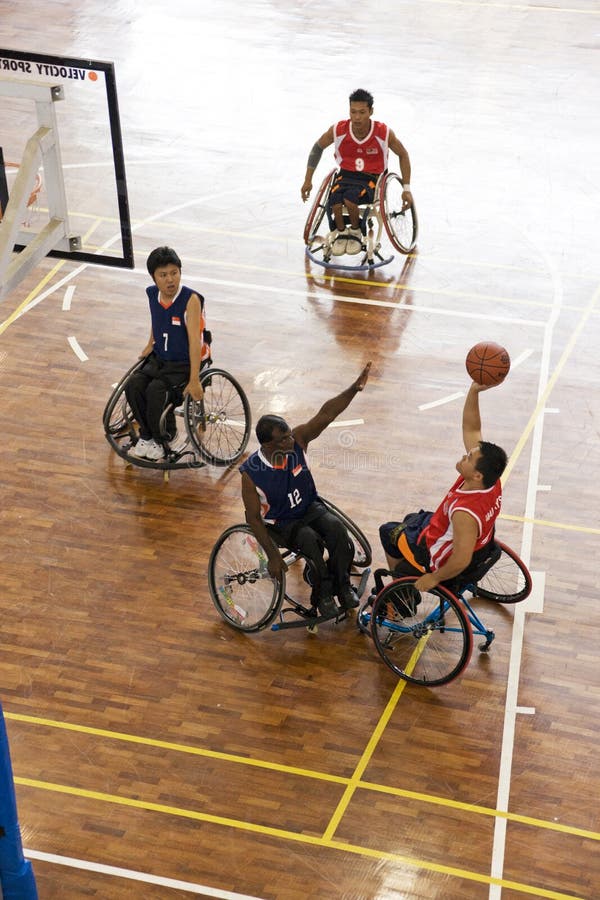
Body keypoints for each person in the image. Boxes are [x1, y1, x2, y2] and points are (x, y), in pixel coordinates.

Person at [240, 362, 372, 618]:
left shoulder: (298, 441)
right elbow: (253, 519)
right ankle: (322, 594)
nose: (291, 440)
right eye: (284, 438)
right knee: (310, 542)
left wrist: (354, 389)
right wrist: (272, 557)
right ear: (268, 444)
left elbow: (326, 415)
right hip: (282, 523)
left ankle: (343, 586)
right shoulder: (251, 473)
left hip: (309, 507)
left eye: (289, 435)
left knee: (337, 530)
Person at [379, 382, 508, 593]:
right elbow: (472, 428)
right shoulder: (489, 481)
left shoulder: (464, 513)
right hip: (482, 546)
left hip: (439, 556)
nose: (464, 455)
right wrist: (474, 390)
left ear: (477, 474)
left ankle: (402, 596)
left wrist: (433, 578)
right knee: (412, 517)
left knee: (387, 531)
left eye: (469, 457)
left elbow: (461, 560)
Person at [301, 88, 413, 257]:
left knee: (350, 198)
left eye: (362, 112)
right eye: (353, 112)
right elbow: (317, 148)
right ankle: (341, 233)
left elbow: (403, 154)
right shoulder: (338, 130)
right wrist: (307, 180)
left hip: (371, 179)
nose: (357, 117)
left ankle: (355, 232)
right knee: (335, 200)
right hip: (345, 175)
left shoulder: (383, 133)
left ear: (371, 111)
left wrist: (407, 189)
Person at [126, 246, 210, 461]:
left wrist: (194, 380)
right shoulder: (152, 293)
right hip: (161, 357)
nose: (170, 279)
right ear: (154, 278)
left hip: (184, 362)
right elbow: (157, 319)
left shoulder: (190, 300)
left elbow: (194, 342)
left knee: (156, 390)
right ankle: (147, 436)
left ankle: (167, 437)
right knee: (134, 384)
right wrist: (150, 342)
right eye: (163, 275)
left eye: (174, 273)